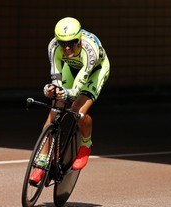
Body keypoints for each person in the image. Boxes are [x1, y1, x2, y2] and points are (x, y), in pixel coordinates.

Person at [29, 17, 110, 184]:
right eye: (62, 43)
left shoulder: (91, 51)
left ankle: (86, 144)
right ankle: (42, 160)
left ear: (79, 39)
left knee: (77, 110)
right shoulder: (53, 47)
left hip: (94, 71)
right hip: (70, 68)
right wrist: (53, 89)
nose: (66, 47)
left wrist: (68, 94)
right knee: (55, 109)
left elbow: (79, 85)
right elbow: (56, 75)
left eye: (72, 43)